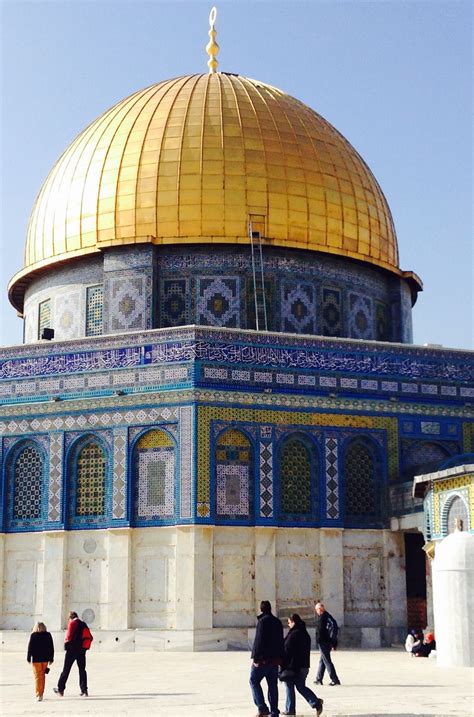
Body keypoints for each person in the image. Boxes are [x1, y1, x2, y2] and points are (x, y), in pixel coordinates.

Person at [280, 614, 324, 716]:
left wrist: (283, 665)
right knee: (300, 686)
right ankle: (316, 702)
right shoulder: (304, 633)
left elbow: (287, 651)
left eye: (289, 622)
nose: (288, 624)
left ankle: (290, 709)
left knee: (289, 685)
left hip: (293, 666)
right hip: (304, 666)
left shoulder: (294, 634)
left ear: (293, 622)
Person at [250, 600, 284, 717]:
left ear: (261, 609)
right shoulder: (277, 622)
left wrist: (256, 659)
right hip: (274, 661)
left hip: (263, 660)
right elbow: (281, 642)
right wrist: (280, 658)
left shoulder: (262, 622)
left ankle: (262, 707)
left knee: (254, 681)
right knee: (273, 686)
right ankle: (274, 711)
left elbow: (258, 641)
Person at [54, 611, 88, 697]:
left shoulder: (73, 623)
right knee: (82, 670)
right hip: (82, 650)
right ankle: (84, 690)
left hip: (72, 651)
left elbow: (68, 636)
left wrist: (66, 646)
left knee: (66, 670)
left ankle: (60, 689)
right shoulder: (83, 624)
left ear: (70, 617)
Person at [313, 602, 340, 686]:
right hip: (322, 641)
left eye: (317, 610)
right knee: (322, 660)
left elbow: (334, 627)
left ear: (320, 609)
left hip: (325, 642)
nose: (316, 611)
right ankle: (319, 679)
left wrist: (333, 641)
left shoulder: (326, 616)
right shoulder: (322, 617)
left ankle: (334, 679)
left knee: (327, 661)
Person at [27, 622, 54, 702]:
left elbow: (30, 648)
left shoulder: (33, 635)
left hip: (36, 660)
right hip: (45, 659)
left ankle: (39, 694)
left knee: (38, 677)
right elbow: (51, 647)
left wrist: (28, 658)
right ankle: (41, 693)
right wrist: (51, 658)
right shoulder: (48, 635)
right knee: (42, 676)